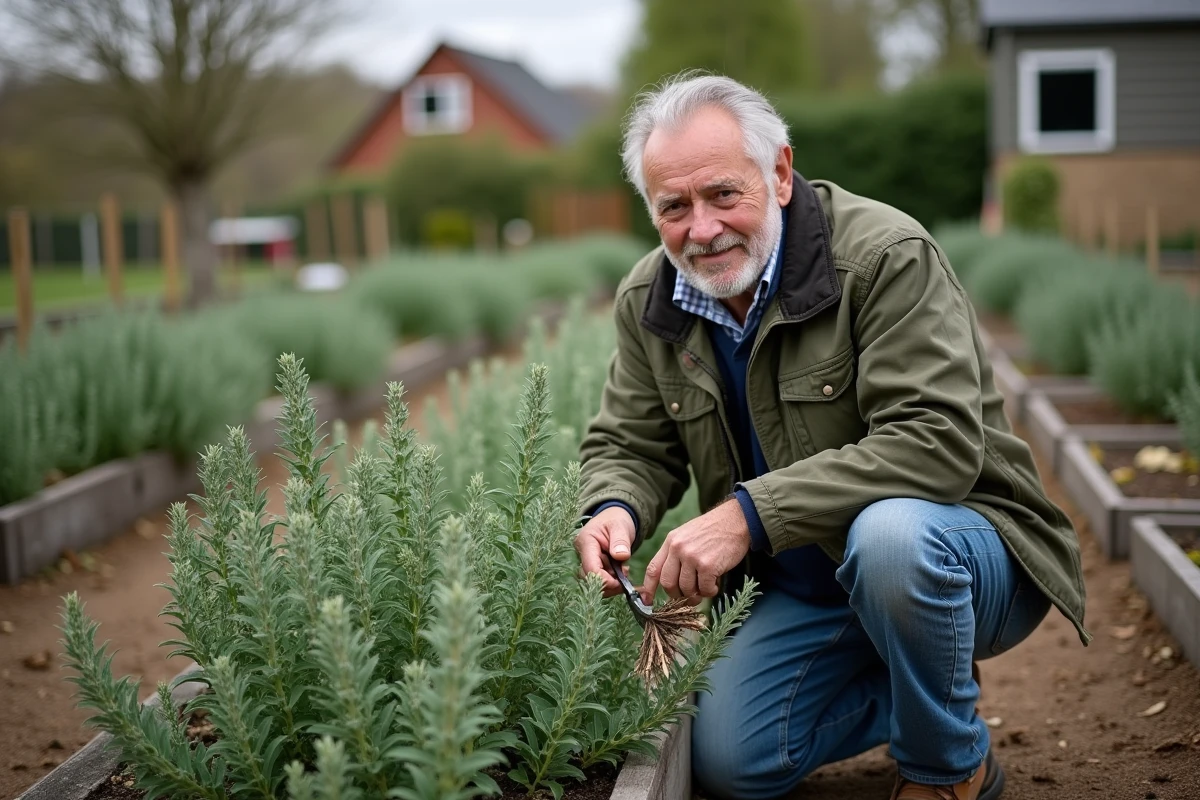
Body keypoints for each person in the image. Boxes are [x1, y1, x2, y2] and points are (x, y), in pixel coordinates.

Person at [573, 73, 1089, 800]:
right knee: (732, 761)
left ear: (780, 173)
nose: (703, 228)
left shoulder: (885, 256)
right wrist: (612, 508)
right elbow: (630, 443)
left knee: (890, 538)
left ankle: (948, 769)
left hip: (965, 554)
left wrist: (745, 517)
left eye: (723, 194)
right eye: (674, 207)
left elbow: (934, 439)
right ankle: (922, 673)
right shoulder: (649, 297)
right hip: (810, 588)